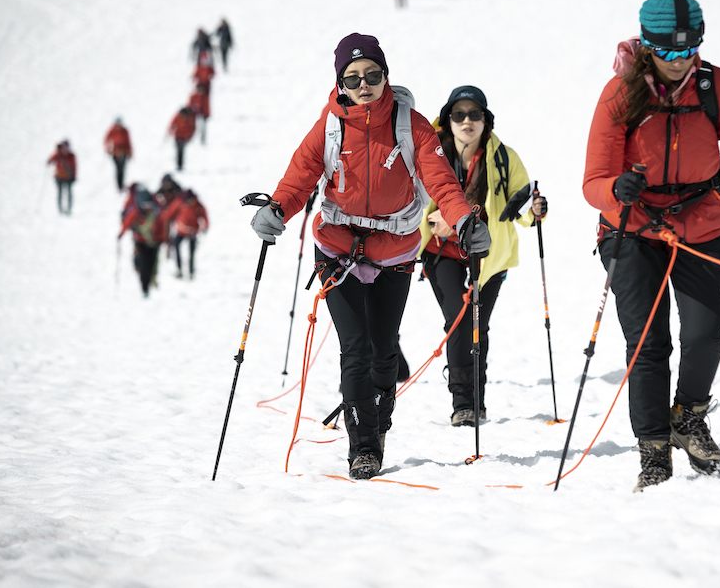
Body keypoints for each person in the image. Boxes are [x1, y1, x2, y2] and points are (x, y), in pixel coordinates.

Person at [583, 0, 720, 492]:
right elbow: (593, 182)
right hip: (633, 229)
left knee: (705, 334)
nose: (680, 62)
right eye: (669, 52)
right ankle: (654, 446)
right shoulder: (620, 94)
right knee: (648, 343)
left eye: (689, 50)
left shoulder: (714, 86)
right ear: (649, 47)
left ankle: (689, 417)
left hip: (701, 224)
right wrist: (618, 190)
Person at [249, 32, 490, 480]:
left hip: (394, 252)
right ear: (340, 81)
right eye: (353, 77)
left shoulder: (412, 126)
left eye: (372, 75)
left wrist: (465, 221)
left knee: (383, 352)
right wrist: (277, 209)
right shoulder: (330, 124)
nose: (364, 84)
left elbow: (441, 182)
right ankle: (363, 448)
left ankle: (378, 427)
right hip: (337, 249)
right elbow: (301, 175)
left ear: (385, 76)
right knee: (354, 349)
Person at [417, 86, 547, 426]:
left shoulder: (504, 158)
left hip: (489, 256)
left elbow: (520, 210)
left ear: (485, 121)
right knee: (459, 319)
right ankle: (463, 403)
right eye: (458, 114)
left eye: (474, 114)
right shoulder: (430, 152)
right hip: (440, 250)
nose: (466, 121)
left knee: (478, 324)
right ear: (448, 120)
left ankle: (477, 402)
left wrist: (535, 210)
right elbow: (415, 202)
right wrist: (437, 221)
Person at [118, 187, 168, 297]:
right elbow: (127, 222)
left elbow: (162, 227)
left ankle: (148, 283)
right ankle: (144, 287)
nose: (147, 208)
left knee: (151, 265)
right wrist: (120, 234)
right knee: (144, 265)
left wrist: (163, 240)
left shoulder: (157, 214)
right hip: (141, 242)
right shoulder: (136, 213)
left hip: (154, 243)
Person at [163, 189, 208, 279]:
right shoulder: (179, 203)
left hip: (192, 232)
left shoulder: (198, 205)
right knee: (176, 248)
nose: (189, 202)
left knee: (191, 252)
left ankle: (191, 272)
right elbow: (168, 213)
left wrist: (205, 227)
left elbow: (205, 216)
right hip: (180, 231)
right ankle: (179, 269)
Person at [47, 140, 76, 215]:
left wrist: (74, 176)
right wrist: (49, 161)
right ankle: (60, 209)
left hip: (68, 177)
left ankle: (69, 209)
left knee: (69, 193)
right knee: (60, 193)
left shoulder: (71, 156)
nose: (65, 150)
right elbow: (51, 159)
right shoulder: (58, 154)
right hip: (59, 176)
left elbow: (74, 166)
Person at [104, 118, 133, 192]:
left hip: (124, 152)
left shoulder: (124, 131)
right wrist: (108, 149)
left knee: (122, 169)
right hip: (115, 152)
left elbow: (128, 142)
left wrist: (130, 152)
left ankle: (121, 185)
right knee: (118, 169)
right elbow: (106, 140)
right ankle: (119, 186)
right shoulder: (112, 130)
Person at [168, 106, 196, 170]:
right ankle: (178, 164)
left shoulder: (189, 119)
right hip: (177, 136)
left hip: (184, 137)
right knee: (178, 150)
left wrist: (189, 137)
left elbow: (192, 129)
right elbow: (172, 124)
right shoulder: (177, 117)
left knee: (181, 151)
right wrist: (170, 131)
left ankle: (180, 165)